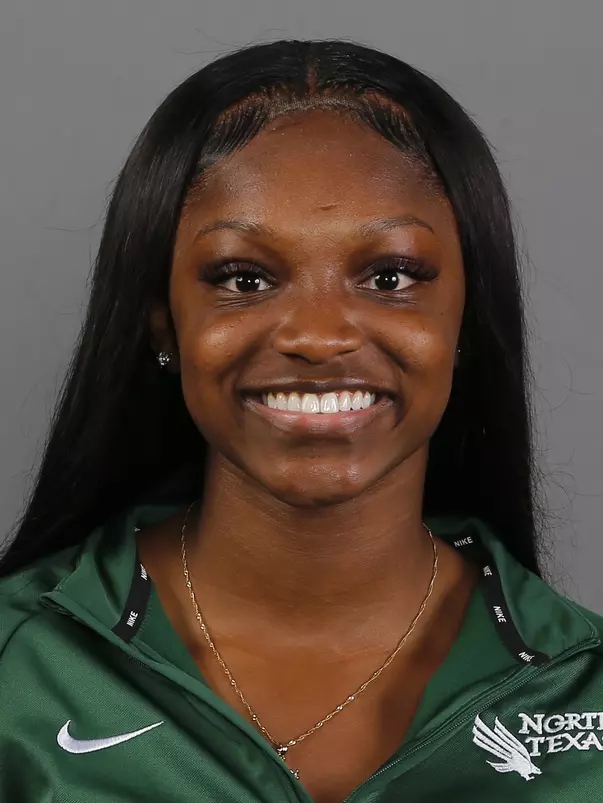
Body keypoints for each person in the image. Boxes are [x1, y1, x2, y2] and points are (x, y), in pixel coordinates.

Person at [1, 37, 602, 803]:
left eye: (390, 275)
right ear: (162, 325)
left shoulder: (584, 689)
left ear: (466, 319)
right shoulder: (18, 672)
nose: (318, 335)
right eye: (244, 278)